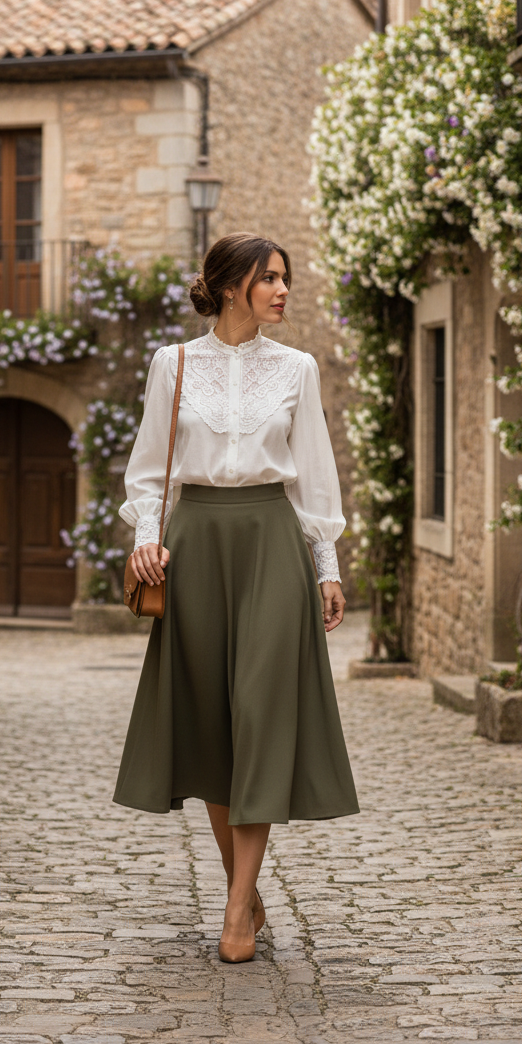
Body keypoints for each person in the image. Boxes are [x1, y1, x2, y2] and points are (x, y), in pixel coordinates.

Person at [114, 232, 358, 963]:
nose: (284, 290)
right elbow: (150, 471)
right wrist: (144, 538)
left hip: (271, 546)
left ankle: (232, 914)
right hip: (194, 550)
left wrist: (327, 565)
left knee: (258, 711)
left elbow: (312, 474)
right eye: (270, 278)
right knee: (218, 727)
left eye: (286, 278)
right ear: (229, 287)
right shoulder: (174, 364)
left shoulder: (298, 369)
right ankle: (244, 891)